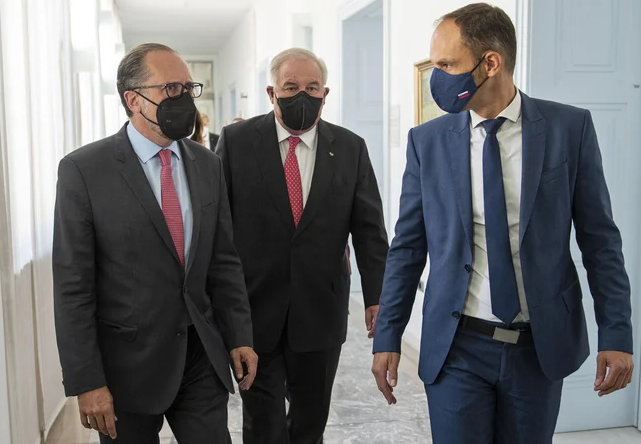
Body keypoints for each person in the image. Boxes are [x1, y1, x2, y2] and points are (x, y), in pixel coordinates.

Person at [371, 3, 634, 444]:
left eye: (447, 64)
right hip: (456, 344)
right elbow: (408, 248)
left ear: (490, 63)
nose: (438, 75)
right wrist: (388, 335)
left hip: (539, 346)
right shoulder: (428, 142)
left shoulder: (569, 128)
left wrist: (617, 332)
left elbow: (600, 241)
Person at [53, 43, 257, 444]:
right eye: (171, 89)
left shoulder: (207, 164)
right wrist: (86, 380)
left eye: (188, 89)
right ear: (133, 99)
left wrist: (240, 335)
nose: (183, 99)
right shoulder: (84, 170)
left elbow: (223, 261)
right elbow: (73, 287)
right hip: (126, 367)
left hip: (199, 356)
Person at [215, 48, 389, 443]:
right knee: (262, 424)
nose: (302, 96)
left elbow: (369, 231)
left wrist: (378, 297)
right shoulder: (237, 141)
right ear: (271, 92)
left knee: (310, 422)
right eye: (291, 87)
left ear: (325, 94)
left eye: (312, 88)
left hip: (321, 312)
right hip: (254, 315)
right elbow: (218, 226)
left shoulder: (350, 147)